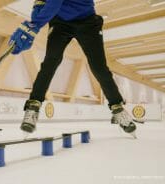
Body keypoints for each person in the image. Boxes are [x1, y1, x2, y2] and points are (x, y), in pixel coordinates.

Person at [9, 0, 137, 138]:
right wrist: (32, 24)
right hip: (60, 23)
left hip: (87, 21)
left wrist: (35, 25)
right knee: (50, 62)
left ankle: (117, 107)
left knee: (98, 67)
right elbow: (40, 4)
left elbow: (54, 4)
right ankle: (33, 107)